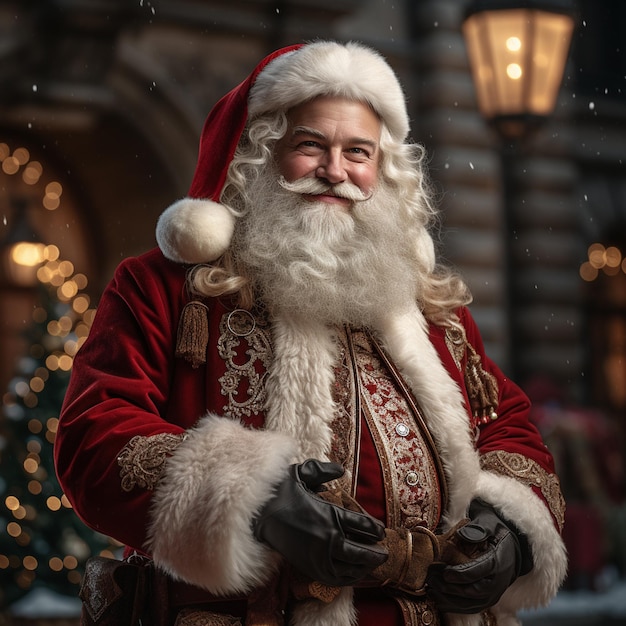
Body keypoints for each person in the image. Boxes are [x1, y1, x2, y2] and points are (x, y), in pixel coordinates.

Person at [55, 41, 567, 626]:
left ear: (383, 171)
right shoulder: (166, 288)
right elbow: (93, 435)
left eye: (358, 152)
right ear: (260, 154)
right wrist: (259, 501)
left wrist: (510, 528)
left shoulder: (432, 309)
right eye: (309, 146)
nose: (335, 171)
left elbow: (508, 425)